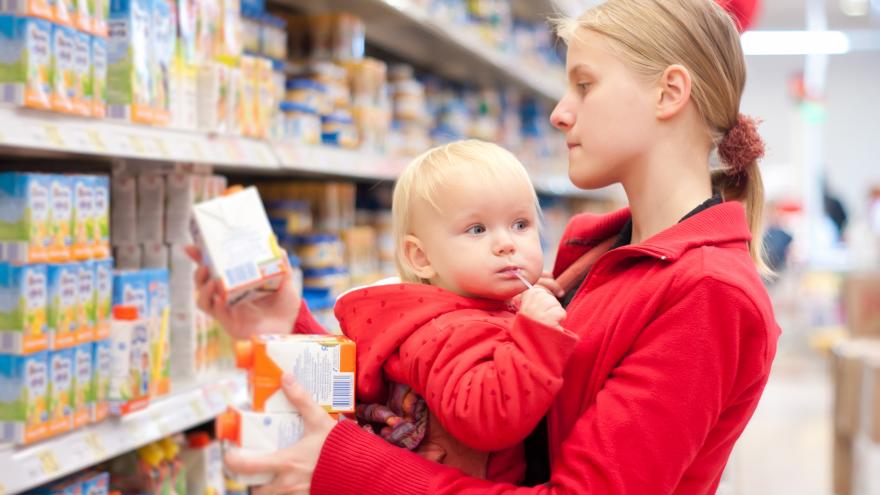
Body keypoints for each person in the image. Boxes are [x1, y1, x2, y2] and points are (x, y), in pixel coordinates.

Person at [191, 0, 781, 493]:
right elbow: (424, 398)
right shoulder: (595, 259)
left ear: (669, 92)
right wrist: (283, 326)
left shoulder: (706, 293)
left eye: (584, 84)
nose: (559, 113)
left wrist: (344, 463)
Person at [335, 140, 576, 482]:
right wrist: (535, 335)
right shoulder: (443, 331)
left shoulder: (472, 308)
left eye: (520, 224)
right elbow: (488, 418)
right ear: (421, 258)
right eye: (477, 230)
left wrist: (521, 303)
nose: (507, 243)